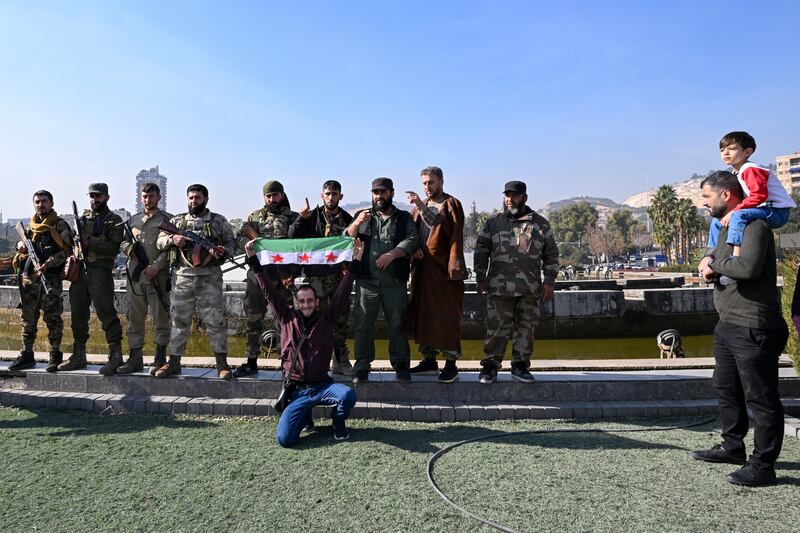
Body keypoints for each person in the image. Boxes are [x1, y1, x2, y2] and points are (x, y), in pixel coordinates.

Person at [692, 171, 789, 486]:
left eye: (707, 197)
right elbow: (719, 262)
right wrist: (711, 264)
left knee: (760, 397)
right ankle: (733, 446)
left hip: (754, 326)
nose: (703, 203)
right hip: (728, 324)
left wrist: (713, 268)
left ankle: (763, 465)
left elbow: (746, 268)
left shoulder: (754, 226)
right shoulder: (723, 229)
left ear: (726, 195)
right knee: (725, 387)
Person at [473, 181, 558, 384]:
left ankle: (520, 366)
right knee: (496, 328)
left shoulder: (540, 224)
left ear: (524, 198)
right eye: (507, 195)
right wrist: (480, 277)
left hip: (529, 288)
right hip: (499, 287)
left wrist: (549, 281)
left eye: (515, 195)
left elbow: (551, 254)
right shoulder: (493, 223)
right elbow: (481, 251)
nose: (510, 199)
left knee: (526, 329)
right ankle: (490, 367)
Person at [155, 184, 237, 379]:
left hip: (209, 278)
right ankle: (173, 362)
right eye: (191, 198)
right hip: (182, 278)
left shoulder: (218, 221)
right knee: (178, 321)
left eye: (198, 198)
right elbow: (159, 241)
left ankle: (221, 363)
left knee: (215, 321)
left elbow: (231, 243)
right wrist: (173, 239)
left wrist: (222, 252)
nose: (194, 201)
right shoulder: (177, 221)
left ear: (206, 199)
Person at [345, 177, 419, 384]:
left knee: (397, 325)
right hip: (366, 283)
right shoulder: (365, 217)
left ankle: (401, 365)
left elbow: (412, 240)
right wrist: (356, 223)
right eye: (376, 192)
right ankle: (361, 367)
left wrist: (393, 254)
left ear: (391, 194)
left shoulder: (403, 218)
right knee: (363, 326)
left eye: (383, 192)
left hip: (394, 283)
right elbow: (347, 239)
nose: (379, 196)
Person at [702, 131, 796, 285]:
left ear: (747, 152)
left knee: (738, 216)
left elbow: (759, 196)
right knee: (716, 222)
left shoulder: (750, 169)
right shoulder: (737, 173)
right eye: (722, 150)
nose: (725, 153)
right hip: (763, 209)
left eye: (731, 149)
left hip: (776, 211)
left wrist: (734, 211)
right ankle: (711, 254)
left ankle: (735, 259)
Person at [403, 166, 468, 383]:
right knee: (423, 315)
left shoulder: (451, 204)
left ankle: (451, 364)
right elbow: (413, 234)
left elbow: (440, 225)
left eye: (431, 182)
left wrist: (420, 205)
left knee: (446, 315)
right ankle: (428, 359)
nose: (427, 187)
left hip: (444, 272)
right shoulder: (419, 208)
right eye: (424, 183)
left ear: (441, 182)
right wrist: (414, 249)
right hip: (422, 271)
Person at [232, 180, 299, 378]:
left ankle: (287, 362)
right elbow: (239, 239)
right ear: (264, 198)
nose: (272, 199)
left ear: (282, 195)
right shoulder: (254, 217)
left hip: (284, 277)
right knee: (253, 318)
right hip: (258, 276)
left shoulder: (293, 218)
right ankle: (252, 361)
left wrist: (293, 274)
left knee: (286, 321)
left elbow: (299, 247)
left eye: (275, 195)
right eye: (268, 196)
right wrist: (252, 243)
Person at [288, 179, 355, 375]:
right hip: (314, 277)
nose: (331, 197)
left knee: (340, 318)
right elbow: (292, 236)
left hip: (336, 276)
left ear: (340, 196)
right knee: (313, 319)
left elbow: (352, 245)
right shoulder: (312, 216)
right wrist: (301, 218)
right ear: (322, 195)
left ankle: (340, 359)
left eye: (335, 194)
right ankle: (314, 360)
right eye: (328, 193)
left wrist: (347, 267)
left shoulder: (346, 218)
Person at [59, 183, 125, 375]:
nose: (95, 200)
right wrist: (74, 240)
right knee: (78, 314)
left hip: (100, 271)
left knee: (106, 314)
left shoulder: (114, 220)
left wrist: (91, 242)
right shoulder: (83, 218)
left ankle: (115, 356)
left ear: (106, 197)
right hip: (80, 271)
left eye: (98, 196)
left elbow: (114, 247)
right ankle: (78, 355)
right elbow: (71, 243)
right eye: (92, 196)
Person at [8, 190, 73, 372]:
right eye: (37, 202)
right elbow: (21, 246)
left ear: (51, 203)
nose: (40, 205)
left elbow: (67, 251)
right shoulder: (31, 225)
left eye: (44, 201)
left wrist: (48, 264)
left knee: (52, 318)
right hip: (29, 280)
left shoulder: (59, 225)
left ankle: (55, 354)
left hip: (50, 279)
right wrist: (19, 246)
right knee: (28, 319)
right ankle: (27, 354)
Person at [118, 183, 173, 374]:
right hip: (135, 278)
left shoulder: (167, 220)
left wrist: (157, 266)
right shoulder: (133, 221)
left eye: (151, 196)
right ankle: (135, 358)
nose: (147, 200)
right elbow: (123, 241)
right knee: (134, 319)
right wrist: (128, 249)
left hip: (158, 277)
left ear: (158, 197)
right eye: (144, 196)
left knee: (161, 318)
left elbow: (171, 249)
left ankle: (159, 358)